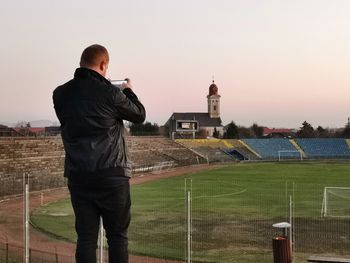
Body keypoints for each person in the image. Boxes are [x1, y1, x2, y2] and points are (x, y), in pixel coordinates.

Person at [53, 44, 146, 263]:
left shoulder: (60, 94)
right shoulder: (111, 93)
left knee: (86, 238)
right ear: (103, 64)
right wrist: (128, 90)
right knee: (117, 237)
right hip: (111, 175)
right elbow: (139, 114)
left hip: (79, 176)